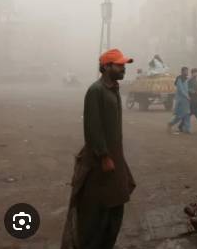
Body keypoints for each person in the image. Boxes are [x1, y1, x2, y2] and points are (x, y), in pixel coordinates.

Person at [61, 49, 136, 249]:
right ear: (106, 67)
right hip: (100, 160)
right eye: (119, 65)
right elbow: (92, 127)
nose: (123, 69)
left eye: (124, 65)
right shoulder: (96, 91)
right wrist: (103, 156)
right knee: (97, 211)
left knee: (117, 204)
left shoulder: (113, 89)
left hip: (115, 157)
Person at [167, 67, 191, 134]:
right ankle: (170, 124)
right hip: (181, 100)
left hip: (186, 100)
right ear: (182, 71)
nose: (187, 72)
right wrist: (187, 96)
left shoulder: (186, 79)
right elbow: (181, 90)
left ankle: (187, 129)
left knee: (187, 114)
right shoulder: (179, 79)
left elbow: (187, 89)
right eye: (186, 71)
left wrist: (189, 95)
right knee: (180, 115)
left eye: (187, 71)